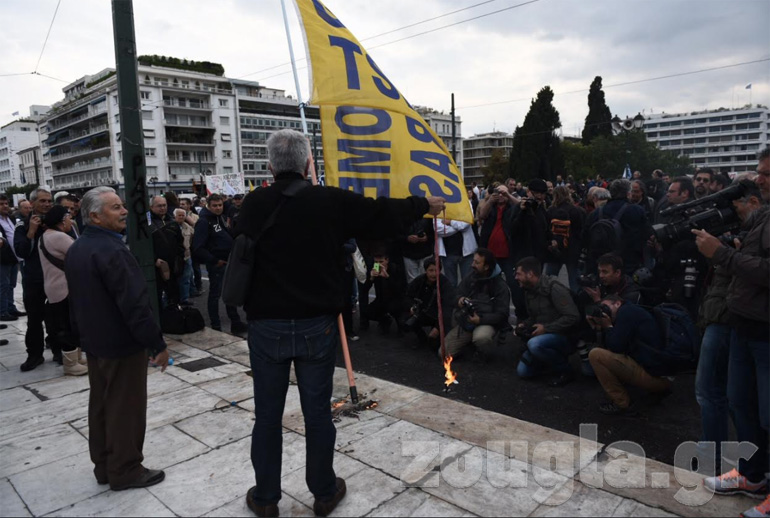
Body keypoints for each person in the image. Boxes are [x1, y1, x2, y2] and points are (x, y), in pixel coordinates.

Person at [233, 129, 445, 517]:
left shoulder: (253, 203)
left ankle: (265, 498)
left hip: (267, 326)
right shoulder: (328, 201)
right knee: (317, 413)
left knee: (267, 417)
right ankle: (324, 492)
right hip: (316, 324)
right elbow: (379, 214)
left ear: (270, 167)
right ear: (308, 164)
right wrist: (423, 205)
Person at [66, 186, 168, 491]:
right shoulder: (113, 251)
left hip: (96, 342)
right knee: (126, 407)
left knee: (101, 404)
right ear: (95, 216)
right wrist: (156, 343)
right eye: (115, 207)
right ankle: (125, 469)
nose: (124, 211)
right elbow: (135, 304)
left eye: (122, 206)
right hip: (121, 344)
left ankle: (104, 466)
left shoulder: (78, 247)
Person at [696, 172, 769, 515]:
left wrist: (724, 255)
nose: (759, 179)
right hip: (743, 323)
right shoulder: (761, 218)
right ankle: (753, 475)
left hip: (765, 330)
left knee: (767, 415)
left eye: (766, 173)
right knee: (742, 405)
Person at [587, 295, 672, 415]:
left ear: (618, 303)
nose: (604, 312)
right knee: (603, 353)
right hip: (662, 374)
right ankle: (656, 390)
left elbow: (615, 346)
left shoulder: (626, 313)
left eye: (605, 307)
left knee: (596, 355)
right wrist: (598, 328)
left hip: (658, 378)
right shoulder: (630, 310)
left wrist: (608, 327)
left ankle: (621, 403)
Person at [514, 256, 580, 386]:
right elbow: (533, 317)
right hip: (543, 336)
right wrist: (524, 325)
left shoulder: (554, 288)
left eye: (518, 274)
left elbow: (573, 317)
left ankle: (565, 370)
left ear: (530, 274)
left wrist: (546, 328)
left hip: (564, 336)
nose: (516, 277)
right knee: (523, 372)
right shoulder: (529, 290)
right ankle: (548, 361)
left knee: (534, 344)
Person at [38, 205, 87, 376]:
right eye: (68, 218)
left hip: (54, 287)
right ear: (61, 220)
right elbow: (81, 254)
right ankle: (71, 363)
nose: (70, 221)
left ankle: (76, 358)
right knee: (68, 325)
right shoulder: (58, 236)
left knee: (67, 323)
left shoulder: (46, 235)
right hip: (63, 287)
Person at [192, 194, 247, 335]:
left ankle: (235, 322)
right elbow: (198, 247)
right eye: (215, 206)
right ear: (208, 206)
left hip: (227, 261)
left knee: (229, 294)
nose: (218, 208)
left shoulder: (219, 218)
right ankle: (216, 325)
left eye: (220, 205)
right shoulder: (204, 221)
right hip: (217, 263)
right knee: (215, 295)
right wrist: (214, 260)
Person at [443, 248, 510, 359]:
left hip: (486, 322)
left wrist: (480, 320)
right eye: (473, 261)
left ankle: (482, 354)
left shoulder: (500, 285)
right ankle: (468, 344)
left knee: (481, 338)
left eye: (477, 263)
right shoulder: (471, 277)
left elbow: (502, 314)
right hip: (468, 321)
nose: (472, 265)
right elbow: (456, 294)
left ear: (486, 267)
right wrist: (460, 299)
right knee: (444, 352)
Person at [14, 187, 54, 371]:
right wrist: (31, 231)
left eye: (49, 201)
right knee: (34, 319)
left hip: (55, 277)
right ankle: (35, 355)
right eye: (42, 201)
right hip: (34, 278)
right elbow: (21, 252)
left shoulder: (56, 221)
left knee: (58, 316)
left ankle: (60, 350)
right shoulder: (22, 225)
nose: (47, 204)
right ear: (32, 203)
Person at [583, 179, 648, 276]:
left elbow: (585, 237)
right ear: (628, 193)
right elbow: (646, 234)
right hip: (627, 263)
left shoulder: (596, 213)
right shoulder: (637, 211)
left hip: (600, 263)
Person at [401, 258, 454, 349]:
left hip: (438, 316)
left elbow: (448, 308)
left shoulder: (445, 284)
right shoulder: (420, 280)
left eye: (436, 270)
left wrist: (438, 327)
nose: (434, 274)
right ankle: (421, 337)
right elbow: (408, 295)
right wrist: (411, 307)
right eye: (431, 270)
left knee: (434, 345)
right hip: (422, 312)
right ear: (426, 271)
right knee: (404, 321)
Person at [545, 185, 585, 293]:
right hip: (572, 249)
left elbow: (546, 229)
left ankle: (548, 298)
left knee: (549, 280)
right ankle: (577, 299)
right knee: (574, 280)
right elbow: (579, 231)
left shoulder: (550, 211)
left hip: (555, 249)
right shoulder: (576, 210)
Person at [148, 196, 184, 307]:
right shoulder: (147, 224)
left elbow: (180, 242)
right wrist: (154, 259)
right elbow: (143, 246)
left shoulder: (172, 222)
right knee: (157, 298)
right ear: (151, 207)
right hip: (157, 267)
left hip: (173, 266)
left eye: (164, 205)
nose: (162, 208)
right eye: (159, 206)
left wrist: (180, 258)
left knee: (174, 296)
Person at [359, 252, 405, 334]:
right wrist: (371, 278)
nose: (379, 264)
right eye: (376, 262)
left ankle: (400, 324)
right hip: (381, 300)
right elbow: (364, 290)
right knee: (366, 312)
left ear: (387, 260)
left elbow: (400, 290)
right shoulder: (375, 269)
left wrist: (387, 277)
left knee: (397, 311)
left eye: (381, 262)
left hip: (395, 300)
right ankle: (385, 319)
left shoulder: (395, 269)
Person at [0, 194, 25, 320]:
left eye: (6, 203)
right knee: (3, 285)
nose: (5, 206)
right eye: (1, 204)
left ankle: (11, 308)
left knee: (11, 285)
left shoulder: (11, 218)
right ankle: (2, 312)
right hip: (3, 258)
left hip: (15, 257)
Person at [435, 216, 477, 287]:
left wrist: (450, 222)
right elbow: (438, 229)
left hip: (467, 253)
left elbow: (465, 225)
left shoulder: (465, 208)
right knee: (450, 284)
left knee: (468, 283)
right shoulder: (439, 210)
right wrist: (458, 226)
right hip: (448, 253)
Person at [180, 198, 203, 297]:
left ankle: (198, 286)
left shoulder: (195, 216)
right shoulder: (178, 215)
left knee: (196, 268)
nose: (181, 206)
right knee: (188, 271)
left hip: (194, 245)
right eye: (180, 204)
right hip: (186, 247)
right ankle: (191, 289)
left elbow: (198, 229)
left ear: (189, 205)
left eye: (183, 204)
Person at [400, 219, 434, 283]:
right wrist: (407, 238)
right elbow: (396, 234)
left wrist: (427, 237)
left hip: (425, 252)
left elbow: (435, 232)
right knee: (412, 280)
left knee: (427, 277)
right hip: (408, 252)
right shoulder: (402, 218)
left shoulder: (428, 218)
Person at [173, 209, 194, 306]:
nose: (181, 217)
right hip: (175, 257)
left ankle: (184, 298)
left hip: (187, 256)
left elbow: (192, 238)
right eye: (179, 215)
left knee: (186, 278)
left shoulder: (188, 227)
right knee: (175, 279)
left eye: (183, 215)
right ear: (174, 216)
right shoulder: (171, 226)